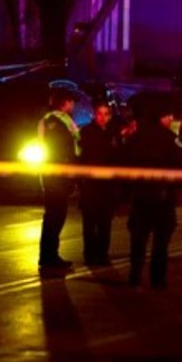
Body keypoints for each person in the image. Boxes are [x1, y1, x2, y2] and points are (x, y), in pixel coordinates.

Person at [122, 103, 182, 289]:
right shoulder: (170, 139)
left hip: (140, 198)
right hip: (163, 199)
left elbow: (125, 165)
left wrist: (125, 193)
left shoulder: (136, 138)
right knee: (161, 242)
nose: (171, 119)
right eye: (168, 116)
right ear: (161, 118)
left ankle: (134, 275)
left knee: (138, 240)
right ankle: (157, 278)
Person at [37, 88, 80, 271]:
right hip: (57, 175)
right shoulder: (58, 122)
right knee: (55, 216)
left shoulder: (50, 120)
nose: (73, 105)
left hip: (52, 174)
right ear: (65, 103)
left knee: (54, 216)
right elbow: (65, 149)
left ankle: (49, 255)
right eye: (71, 101)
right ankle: (49, 257)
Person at [78, 102, 121, 266]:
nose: (103, 118)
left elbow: (116, 156)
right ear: (94, 115)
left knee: (105, 221)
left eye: (106, 114)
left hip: (107, 184)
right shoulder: (87, 132)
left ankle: (102, 253)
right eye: (100, 114)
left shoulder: (112, 132)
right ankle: (90, 254)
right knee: (90, 222)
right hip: (91, 183)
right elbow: (86, 154)